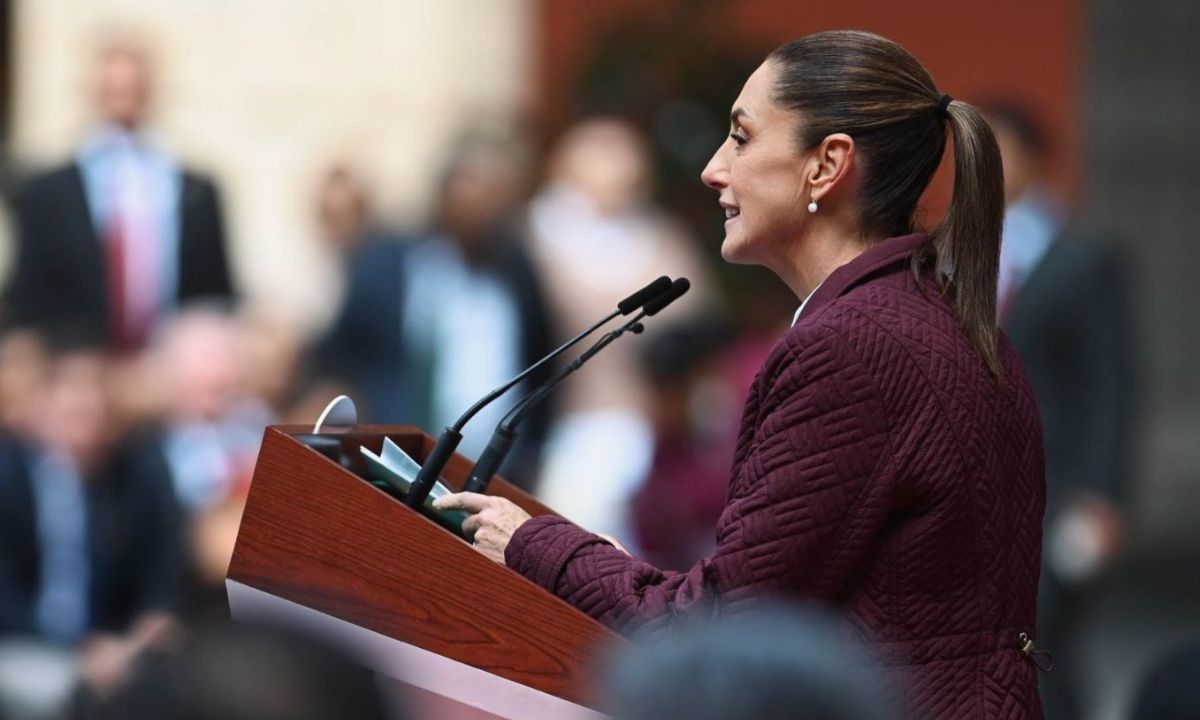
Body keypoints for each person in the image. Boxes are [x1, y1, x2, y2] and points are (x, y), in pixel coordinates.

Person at [435, 30, 1046, 719]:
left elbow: (721, 624)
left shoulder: (850, 348)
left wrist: (532, 543)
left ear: (827, 165)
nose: (712, 169)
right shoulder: (942, 318)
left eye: (741, 139)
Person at [986, 101, 1134, 720]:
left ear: (1033, 158)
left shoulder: (1083, 258)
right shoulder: (956, 252)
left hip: (1058, 486)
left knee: (1041, 643)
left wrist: (1102, 494)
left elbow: (1111, 383)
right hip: (981, 486)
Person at [316, 132, 556, 489]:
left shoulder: (517, 274)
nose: (488, 205)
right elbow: (341, 358)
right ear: (446, 190)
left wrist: (532, 449)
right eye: (477, 186)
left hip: (492, 474)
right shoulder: (388, 263)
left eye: (501, 192)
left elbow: (542, 364)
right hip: (396, 463)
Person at [4, 35, 235, 353]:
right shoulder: (47, 192)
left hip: (168, 369)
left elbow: (215, 297)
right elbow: (31, 293)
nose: (123, 99)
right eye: (113, 89)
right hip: (75, 365)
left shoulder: (196, 190)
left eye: (132, 89)